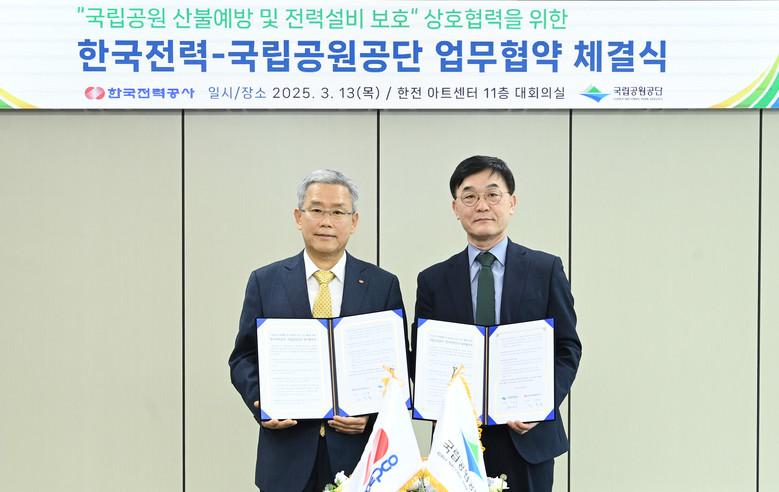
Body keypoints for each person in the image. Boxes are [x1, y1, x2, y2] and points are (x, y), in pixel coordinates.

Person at [229, 169, 406, 492]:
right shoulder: (265, 281)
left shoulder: (382, 285)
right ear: (299, 217)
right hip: (286, 456)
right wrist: (262, 403)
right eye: (316, 210)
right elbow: (243, 358)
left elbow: (398, 368)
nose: (326, 221)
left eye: (338, 212)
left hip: (360, 457)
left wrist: (371, 413)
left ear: (353, 222)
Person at [413, 155, 582, 492]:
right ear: (456, 207)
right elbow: (422, 358)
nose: (482, 205)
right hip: (457, 442)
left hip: (528, 436)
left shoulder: (545, 269)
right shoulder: (433, 280)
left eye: (493, 194)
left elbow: (567, 348)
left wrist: (541, 405)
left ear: (511, 203)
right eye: (470, 196)